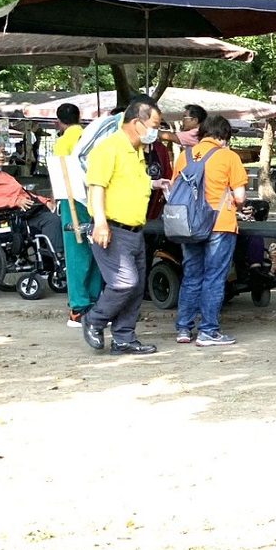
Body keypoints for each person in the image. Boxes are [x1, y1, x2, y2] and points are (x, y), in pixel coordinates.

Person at [81, 97, 165, 356]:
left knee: (136, 288)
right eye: (154, 125)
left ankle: (124, 338)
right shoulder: (110, 148)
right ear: (137, 122)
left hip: (135, 230)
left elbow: (128, 183)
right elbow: (97, 186)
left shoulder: (137, 151)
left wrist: (156, 184)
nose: (156, 132)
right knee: (124, 283)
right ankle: (94, 319)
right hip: (112, 229)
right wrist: (100, 222)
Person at [171, 115, 247, 347]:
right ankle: (208, 331)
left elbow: (174, 188)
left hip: (189, 224)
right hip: (219, 223)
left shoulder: (184, 156)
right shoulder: (229, 156)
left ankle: (184, 328)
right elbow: (240, 197)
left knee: (191, 275)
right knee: (214, 278)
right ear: (224, 136)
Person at [0, 135, 66, 258]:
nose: (2, 156)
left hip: (22, 214)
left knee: (61, 215)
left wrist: (45, 201)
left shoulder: (4, 175)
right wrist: (15, 201)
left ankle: (51, 259)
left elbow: (23, 193)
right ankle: (58, 257)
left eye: (4, 152)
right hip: (8, 219)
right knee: (51, 220)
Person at [51, 102, 102, 327]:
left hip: (73, 199)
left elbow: (61, 177)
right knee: (96, 250)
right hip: (96, 197)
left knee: (76, 253)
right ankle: (94, 302)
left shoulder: (63, 142)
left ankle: (78, 307)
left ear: (58, 122)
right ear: (79, 117)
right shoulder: (94, 137)